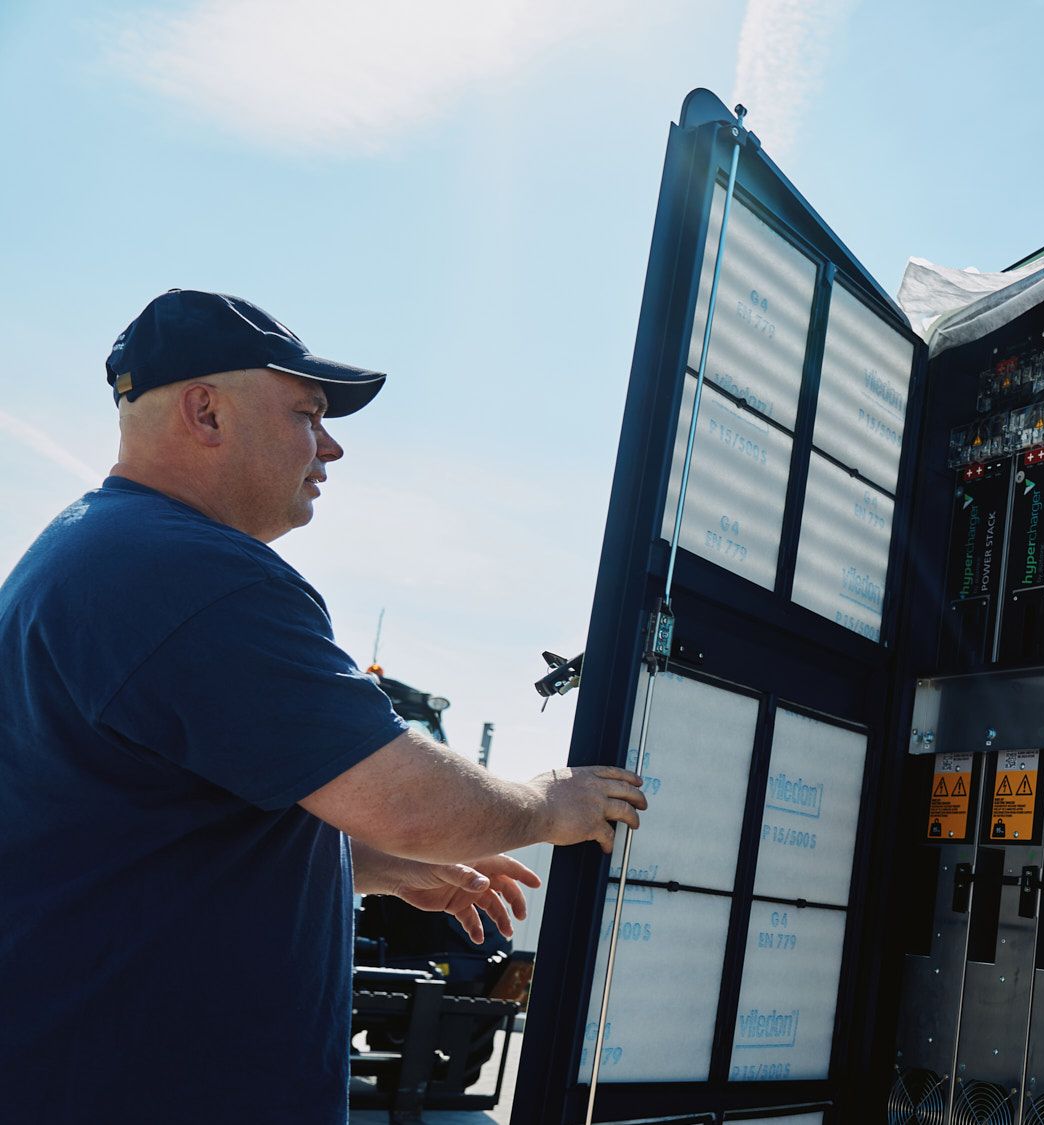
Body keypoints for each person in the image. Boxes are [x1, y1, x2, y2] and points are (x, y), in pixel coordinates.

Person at [0, 290, 650, 1123]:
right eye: (308, 414)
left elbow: (148, 830)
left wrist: (367, 865)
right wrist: (549, 802)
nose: (332, 445)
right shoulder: (193, 573)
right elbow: (408, 801)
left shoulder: (89, 549)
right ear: (207, 412)